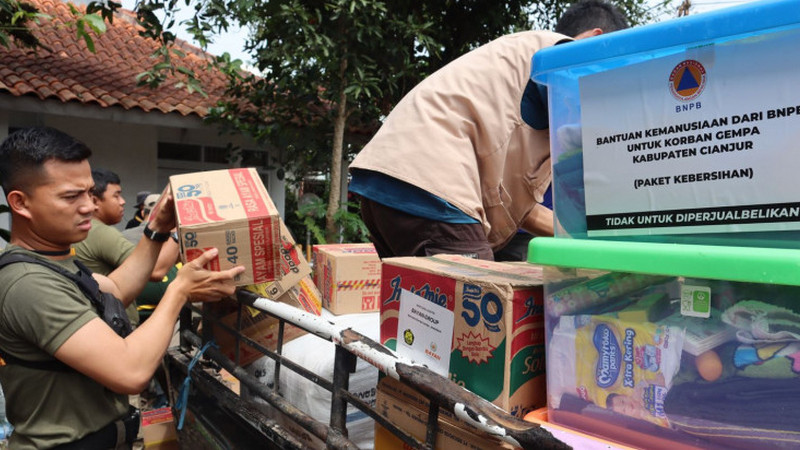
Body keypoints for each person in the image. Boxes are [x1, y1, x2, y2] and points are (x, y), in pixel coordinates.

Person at [0, 126, 245, 449]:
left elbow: (114, 287)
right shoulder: (28, 283)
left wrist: (157, 227)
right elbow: (130, 371)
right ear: (21, 203)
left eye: (88, 192)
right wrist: (179, 292)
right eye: (71, 196)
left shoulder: (55, 261)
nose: (88, 206)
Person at [349, 0, 628, 260]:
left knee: (414, 305)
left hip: (388, 182)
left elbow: (521, 210)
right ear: (592, 38)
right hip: (432, 186)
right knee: (478, 303)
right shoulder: (557, 55)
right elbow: (593, 138)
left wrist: (585, 240)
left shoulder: (510, 82)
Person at [74, 169, 179, 327]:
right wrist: (178, 231)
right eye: (116, 196)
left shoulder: (85, 231)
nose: (123, 201)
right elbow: (156, 270)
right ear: (95, 201)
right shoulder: (100, 233)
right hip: (113, 326)